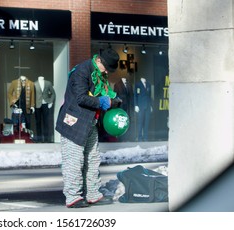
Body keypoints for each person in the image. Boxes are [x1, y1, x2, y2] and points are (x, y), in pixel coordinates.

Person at [55, 48, 121, 208]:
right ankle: (73, 197)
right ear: (98, 60)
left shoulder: (100, 74)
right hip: (74, 122)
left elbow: (104, 92)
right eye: (106, 68)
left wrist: (114, 99)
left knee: (92, 158)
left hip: (90, 121)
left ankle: (93, 193)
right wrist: (103, 102)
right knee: (74, 160)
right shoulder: (82, 71)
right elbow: (81, 97)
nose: (107, 72)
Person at [34, 76, 56, 142]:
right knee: (38, 122)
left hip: (46, 104)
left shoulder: (48, 83)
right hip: (37, 105)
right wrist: (33, 105)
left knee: (46, 122)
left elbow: (53, 93)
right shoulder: (34, 84)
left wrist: (51, 101)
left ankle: (47, 139)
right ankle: (39, 139)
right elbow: (33, 94)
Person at [134, 77, 152, 141]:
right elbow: (135, 95)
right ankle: (139, 138)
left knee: (146, 122)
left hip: (147, 106)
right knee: (140, 122)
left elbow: (149, 96)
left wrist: (151, 105)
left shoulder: (148, 84)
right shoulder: (137, 84)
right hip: (140, 106)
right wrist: (136, 105)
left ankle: (146, 137)